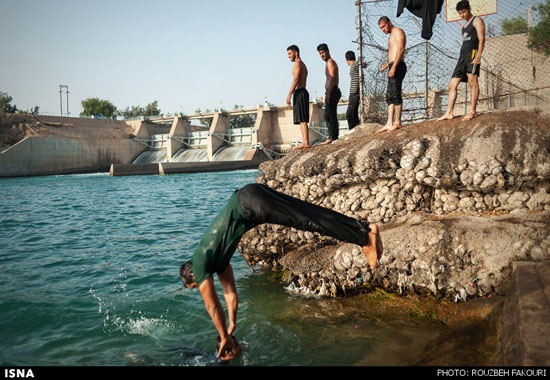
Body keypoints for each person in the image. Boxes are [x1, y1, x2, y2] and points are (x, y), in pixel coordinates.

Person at [179, 183, 383, 360]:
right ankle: (365, 230)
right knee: (305, 213)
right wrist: (232, 323)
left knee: (307, 220)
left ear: (192, 276)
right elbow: (230, 293)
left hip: (250, 205)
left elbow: (212, 306)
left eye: (196, 286)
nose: (202, 286)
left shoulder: (199, 264)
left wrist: (223, 337)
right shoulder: (218, 262)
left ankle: (364, 238)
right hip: (249, 196)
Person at [437, 0, 485, 121]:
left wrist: (479, 55)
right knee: (452, 85)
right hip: (462, 58)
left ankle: (473, 111)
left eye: (463, 12)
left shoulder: (477, 20)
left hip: (472, 54)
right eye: (460, 13)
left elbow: (482, 38)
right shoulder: (463, 27)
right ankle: (449, 112)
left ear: (469, 9)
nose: (462, 15)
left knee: (472, 82)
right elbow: (464, 42)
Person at [377, 16, 407, 133]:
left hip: (398, 65)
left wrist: (394, 66)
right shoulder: (390, 36)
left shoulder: (398, 31)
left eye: (383, 26)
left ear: (389, 23)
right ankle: (389, 123)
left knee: (395, 93)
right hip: (392, 65)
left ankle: (397, 122)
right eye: (381, 28)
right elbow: (392, 52)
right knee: (389, 95)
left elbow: (401, 49)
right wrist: (387, 64)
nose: (383, 30)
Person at [286, 45, 311, 149]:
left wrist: (289, 94)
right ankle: (305, 141)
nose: (288, 56)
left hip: (300, 91)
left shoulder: (297, 64)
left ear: (296, 53)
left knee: (302, 119)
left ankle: (305, 142)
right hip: (303, 91)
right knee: (302, 118)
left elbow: (296, 79)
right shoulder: (303, 64)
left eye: (289, 53)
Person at [317, 44, 341, 145]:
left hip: (332, 90)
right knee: (328, 114)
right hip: (331, 90)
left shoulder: (330, 62)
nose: (322, 55)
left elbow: (331, 78)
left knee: (330, 114)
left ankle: (333, 137)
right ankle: (332, 136)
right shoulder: (328, 63)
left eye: (323, 52)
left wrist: (328, 94)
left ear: (328, 51)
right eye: (320, 54)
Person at [345, 50, 365, 130]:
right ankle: (356, 129)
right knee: (354, 113)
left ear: (346, 59)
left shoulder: (355, 64)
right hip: (352, 92)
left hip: (355, 92)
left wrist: (362, 63)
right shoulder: (354, 65)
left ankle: (352, 130)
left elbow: (361, 64)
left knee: (349, 114)